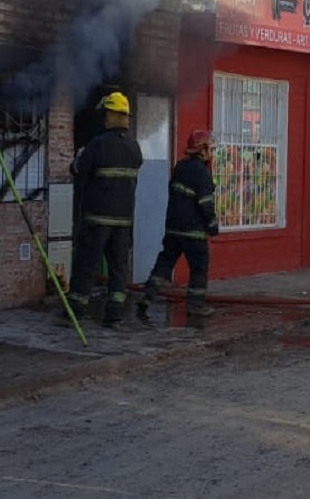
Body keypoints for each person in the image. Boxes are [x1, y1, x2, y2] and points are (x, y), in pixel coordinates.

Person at [62, 92, 143, 329]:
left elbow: (79, 170)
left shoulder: (98, 145)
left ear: (109, 114)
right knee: (119, 269)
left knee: (87, 263)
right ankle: (114, 314)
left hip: (97, 219)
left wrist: (78, 157)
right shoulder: (134, 148)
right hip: (124, 222)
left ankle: (75, 309)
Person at [138, 129, 220, 318]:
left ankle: (148, 295)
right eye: (211, 150)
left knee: (166, 261)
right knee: (199, 267)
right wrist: (212, 225)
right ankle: (196, 305)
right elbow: (205, 203)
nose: (212, 154)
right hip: (194, 231)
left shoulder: (180, 167)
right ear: (202, 150)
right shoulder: (202, 173)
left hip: (173, 227)